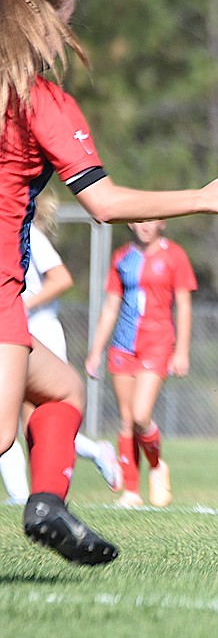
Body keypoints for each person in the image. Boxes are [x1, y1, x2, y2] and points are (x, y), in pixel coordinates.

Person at [0, 0, 218, 565]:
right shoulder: (40, 100)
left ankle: (47, 505)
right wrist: (201, 197)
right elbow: (104, 202)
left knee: (61, 391)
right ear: (37, 23)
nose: (67, 38)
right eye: (63, 23)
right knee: (4, 430)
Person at [0, 189, 122, 505]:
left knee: (35, 425)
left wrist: (23, 305)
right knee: (14, 422)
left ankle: (95, 452)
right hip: (14, 333)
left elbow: (61, 279)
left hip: (40, 334)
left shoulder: (28, 235)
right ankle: (21, 496)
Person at [84, 219, 194, 509]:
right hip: (123, 345)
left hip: (157, 343)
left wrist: (181, 351)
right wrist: (95, 351)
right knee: (126, 419)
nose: (145, 226)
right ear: (131, 223)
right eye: (140, 220)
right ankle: (131, 492)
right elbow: (111, 307)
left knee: (141, 415)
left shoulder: (174, 256)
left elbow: (183, 305)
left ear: (163, 222)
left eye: (152, 220)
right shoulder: (122, 257)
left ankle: (157, 466)